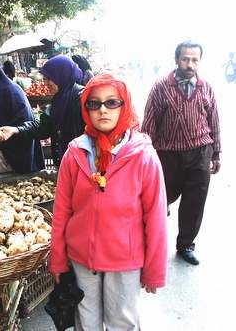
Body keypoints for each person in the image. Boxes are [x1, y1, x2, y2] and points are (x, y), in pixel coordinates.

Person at [50, 74, 167, 330]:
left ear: (124, 106)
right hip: (81, 259)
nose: (102, 109)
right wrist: (57, 259)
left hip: (124, 260)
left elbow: (156, 216)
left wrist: (154, 270)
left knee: (122, 323)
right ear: (85, 108)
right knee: (86, 323)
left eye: (112, 103)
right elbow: (61, 212)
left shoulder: (143, 156)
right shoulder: (75, 154)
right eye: (94, 103)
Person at [142, 41, 221, 265]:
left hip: (200, 153)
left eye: (195, 59)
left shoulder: (206, 87)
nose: (190, 64)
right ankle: (149, 244)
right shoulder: (160, 87)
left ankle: (185, 245)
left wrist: (216, 153)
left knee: (195, 202)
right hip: (168, 155)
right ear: (176, 59)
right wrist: (145, 156)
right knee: (157, 201)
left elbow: (214, 121)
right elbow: (149, 123)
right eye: (185, 59)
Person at [0, 55, 85, 167]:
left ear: (61, 75)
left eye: (49, 78)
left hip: (82, 165)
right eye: (44, 79)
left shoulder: (81, 98)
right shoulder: (58, 100)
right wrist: (16, 130)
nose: (45, 83)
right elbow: (44, 127)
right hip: (66, 164)